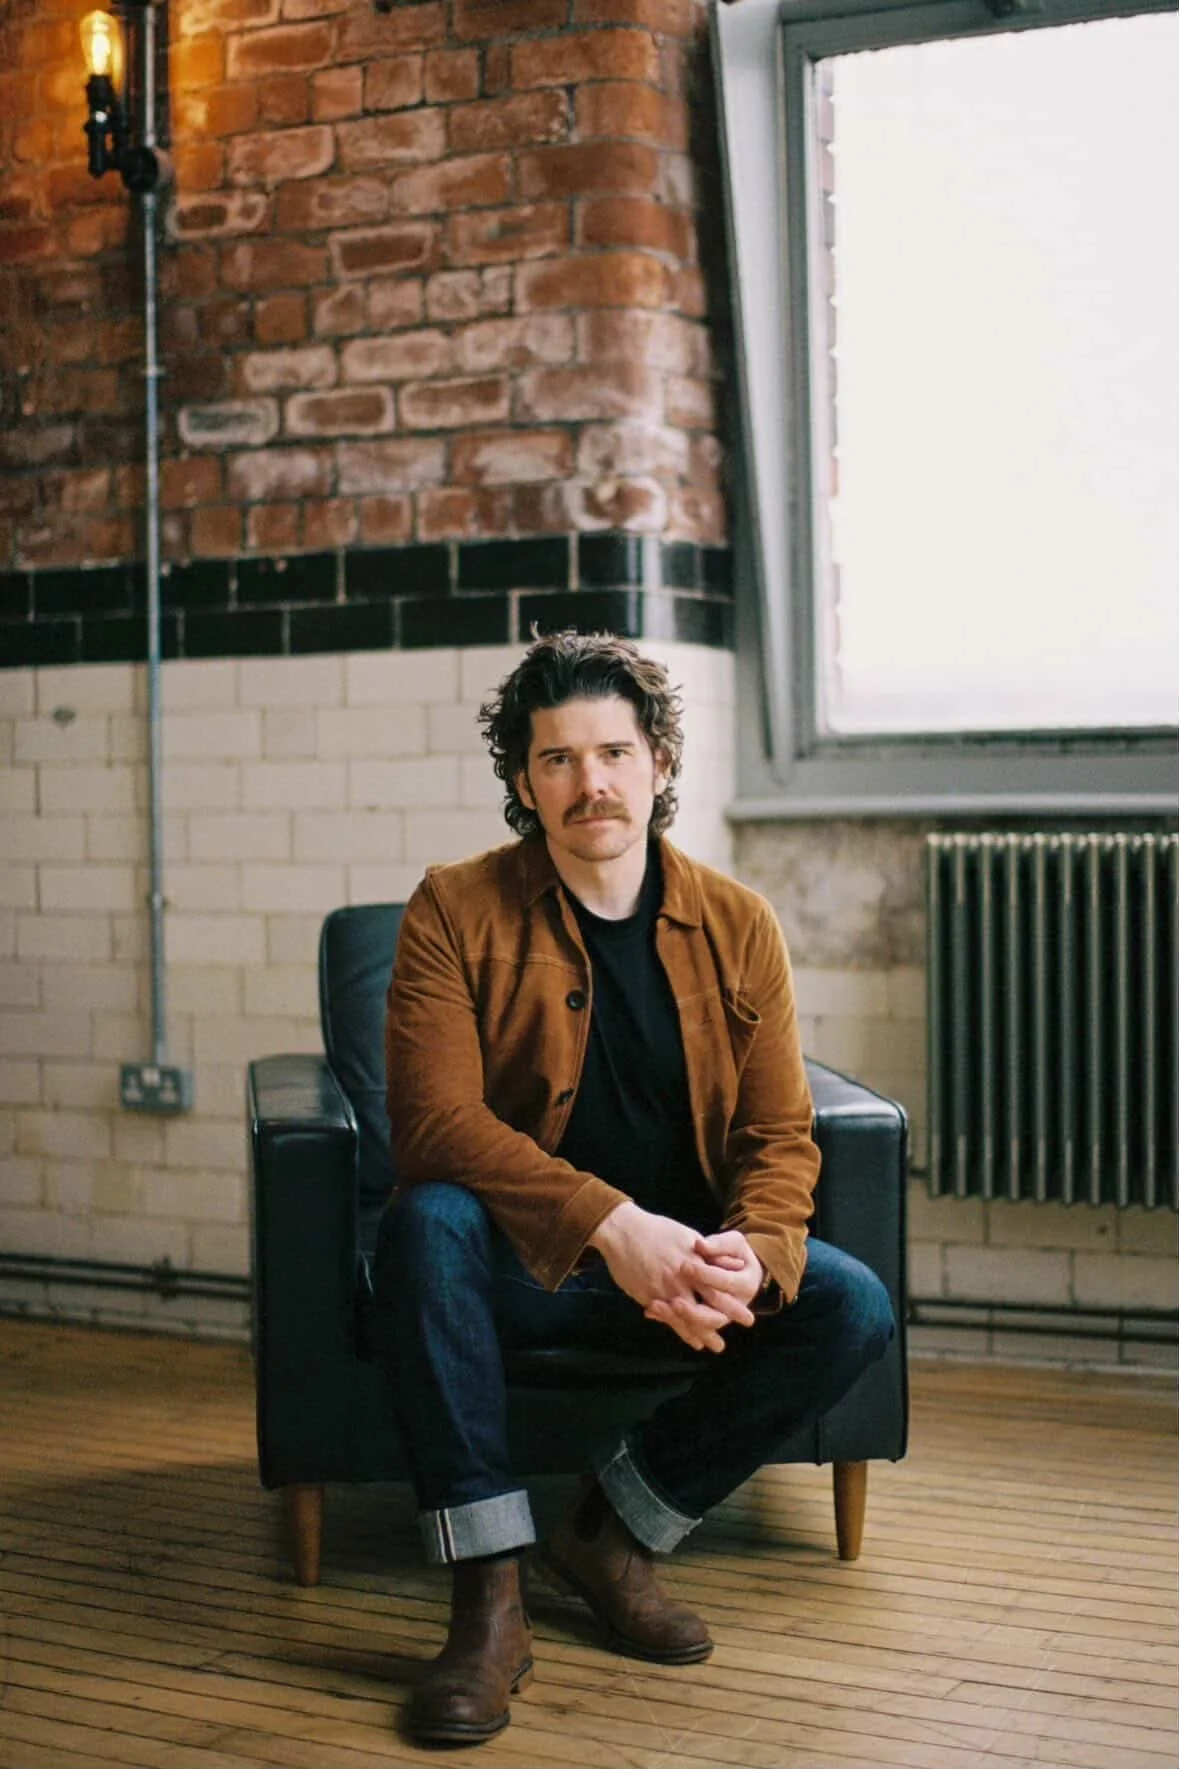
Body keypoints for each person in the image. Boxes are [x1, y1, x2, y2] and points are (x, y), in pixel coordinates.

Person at [374, 630, 894, 1747]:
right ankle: (488, 1601)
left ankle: (612, 1529)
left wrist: (751, 1248)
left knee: (851, 1300)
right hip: (534, 1270)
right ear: (522, 780)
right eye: (556, 758)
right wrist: (611, 1227)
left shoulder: (739, 921)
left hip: (692, 1270)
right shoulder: (453, 909)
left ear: (658, 759)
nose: (589, 781)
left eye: (612, 750)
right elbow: (431, 1125)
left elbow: (778, 1131)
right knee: (427, 1221)